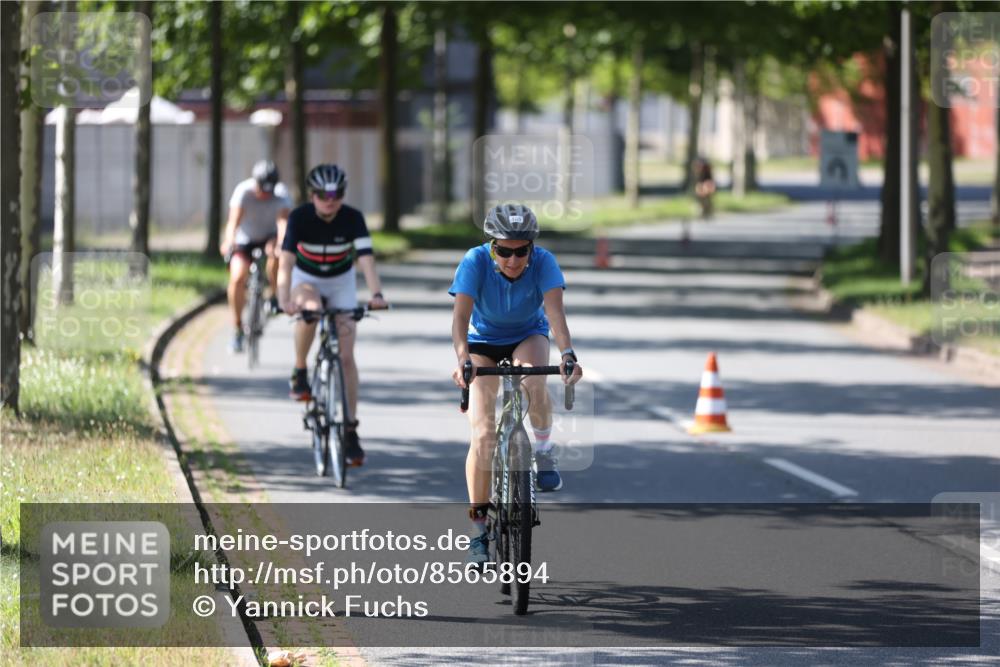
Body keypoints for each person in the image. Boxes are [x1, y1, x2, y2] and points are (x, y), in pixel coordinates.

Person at [449, 203, 583, 566]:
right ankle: (479, 531)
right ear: (491, 246)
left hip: (527, 335)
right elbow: (460, 317)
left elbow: (555, 313)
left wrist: (567, 353)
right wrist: (462, 359)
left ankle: (543, 449)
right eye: (504, 251)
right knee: (482, 434)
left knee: (535, 380)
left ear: (531, 247)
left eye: (521, 251)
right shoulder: (474, 261)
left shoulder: (544, 262)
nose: (512, 259)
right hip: (481, 343)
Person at [277, 163, 388, 467]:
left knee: (347, 357)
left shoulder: (353, 218)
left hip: (341, 282)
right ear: (312, 195)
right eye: (323, 195)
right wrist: (283, 298)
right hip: (307, 279)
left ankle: (350, 429)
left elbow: (366, 259)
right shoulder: (299, 217)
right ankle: (300, 370)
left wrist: (376, 294)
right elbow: (285, 262)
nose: (330, 200)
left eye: (336, 194)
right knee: (311, 311)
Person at [220, 159, 292, 353]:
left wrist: (280, 244)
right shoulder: (243, 192)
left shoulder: (281, 194)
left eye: (270, 191)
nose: (265, 195)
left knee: (276, 257)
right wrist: (229, 242)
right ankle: (237, 329)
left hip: (270, 237)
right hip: (245, 239)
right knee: (237, 278)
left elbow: (283, 225)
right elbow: (233, 222)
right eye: (262, 189)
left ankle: (274, 295)